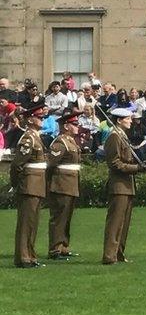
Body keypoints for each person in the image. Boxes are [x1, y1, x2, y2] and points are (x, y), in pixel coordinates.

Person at [103, 107, 146, 265]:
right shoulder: (114, 136)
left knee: (124, 223)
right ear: (119, 120)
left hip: (127, 185)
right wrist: (136, 168)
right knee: (115, 222)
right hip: (119, 185)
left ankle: (118, 253)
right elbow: (115, 163)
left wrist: (138, 165)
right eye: (128, 118)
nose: (131, 121)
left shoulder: (122, 136)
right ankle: (109, 255)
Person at [12, 103, 48, 267]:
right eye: (39, 117)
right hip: (29, 184)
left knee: (32, 222)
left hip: (36, 184)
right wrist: (17, 184)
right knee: (27, 223)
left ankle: (30, 256)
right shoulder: (28, 138)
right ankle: (23, 257)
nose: (41, 120)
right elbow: (17, 165)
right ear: (30, 120)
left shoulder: (35, 137)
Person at [47, 110, 83, 260]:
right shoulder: (60, 142)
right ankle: (54, 248)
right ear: (66, 126)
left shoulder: (71, 141)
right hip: (61, 184)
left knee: (67, 217)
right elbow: (50, 164)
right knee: (59, 217)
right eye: (74, 124)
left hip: (70, 184)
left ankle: (63, 247)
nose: (77, 126)